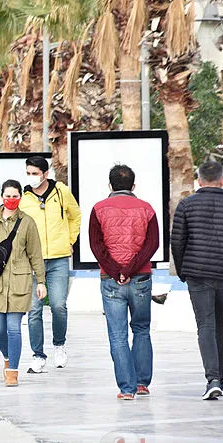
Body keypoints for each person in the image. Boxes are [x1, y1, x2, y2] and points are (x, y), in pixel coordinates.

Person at [89, 165, 159, 400]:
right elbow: (152, 245)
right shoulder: (147, 209)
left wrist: (117, 271)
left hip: (110, 280)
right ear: (133, 186)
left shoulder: (98, 209)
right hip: (141, 278)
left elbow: (96, 246)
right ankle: (141, 383)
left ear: (109, 186)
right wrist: (130, 269)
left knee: (117, 334)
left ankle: (126, 389)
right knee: (141, 329)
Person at [171, 160, 223, 400]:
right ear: (222, 180)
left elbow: (177, 241)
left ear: (198, 181)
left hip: (198, 275)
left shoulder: (186, 205)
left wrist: (182, 271)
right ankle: (218, 377)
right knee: (222, 327)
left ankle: (213, 379)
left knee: (205, 325)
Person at [0, 180, 46, 388]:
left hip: (19, 284)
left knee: (14, 329)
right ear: (1, 196)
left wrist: (41, 281)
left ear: (20, 197)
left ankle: (12, 371)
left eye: (15, 196)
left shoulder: (27, 222)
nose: (11, 200)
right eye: (8, 196)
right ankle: (7, 356)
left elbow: (35, 255)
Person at [20, 156, 81, 373]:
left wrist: (70, 240)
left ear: (45, 174)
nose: (31, 177)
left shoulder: (61, 192)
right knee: (34, 309)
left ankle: (59, 345)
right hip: (32, 261)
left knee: (58, 305)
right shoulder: (24, 197)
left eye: (35, 173)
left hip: (58, 258)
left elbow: (75, 216)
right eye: (28, 173)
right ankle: (37, 354)